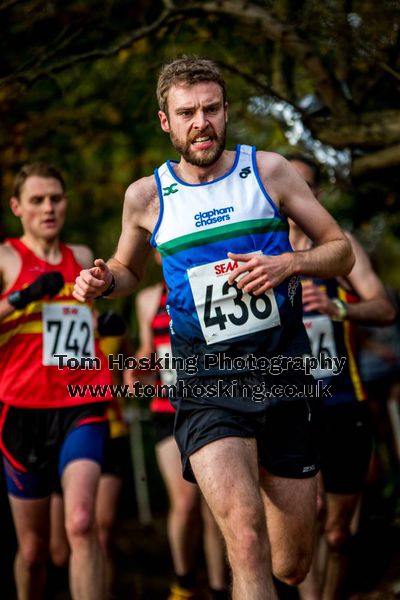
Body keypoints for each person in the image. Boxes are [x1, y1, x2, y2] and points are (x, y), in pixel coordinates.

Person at [73, 56, 355, 599]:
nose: (200, 122)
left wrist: (289, 264)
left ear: (225, 112)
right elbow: (129, 268)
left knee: (292, 563)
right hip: (207, 381)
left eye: (210, 109)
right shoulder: (146, 196)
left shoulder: (268, 171)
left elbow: (339, 251)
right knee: (245, 539)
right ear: (166, 123)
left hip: (282, 371)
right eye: (187, 113)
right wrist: (104, 279)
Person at [0, 162, 113, 600]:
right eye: (37, 200)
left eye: (56, 198)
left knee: (82, 524)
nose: (49, 208)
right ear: (17, 207)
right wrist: (22, 296)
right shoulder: (7, 257)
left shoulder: (82, 257)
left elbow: (79, 330)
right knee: (33, 551)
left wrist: (106, 324)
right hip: (22, 413)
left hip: (81, 404)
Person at [287, 155, 396, 600]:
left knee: (335, 533)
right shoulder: (259, 250)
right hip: (289, 410)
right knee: (304, 522)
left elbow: (385, 309)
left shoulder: (340, 247)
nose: (296, 194)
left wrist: (340, 307)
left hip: (341, 402)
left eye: (307, 185)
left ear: (317, 194)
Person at [135, 256, 228, 600]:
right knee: (185, 502)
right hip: (167, 410)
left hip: (211, 405)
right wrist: (137, 370)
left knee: (215, 505)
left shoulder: (214, 283)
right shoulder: (147, 299)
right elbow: (149, 352)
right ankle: (184, 580)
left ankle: (219, 586)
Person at [49, 310, 133, 599]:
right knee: (58, 550)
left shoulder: (114, 327)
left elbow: (130, 368)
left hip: (110, 430)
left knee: (100, 529)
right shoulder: (53, 321)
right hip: (63, 432)